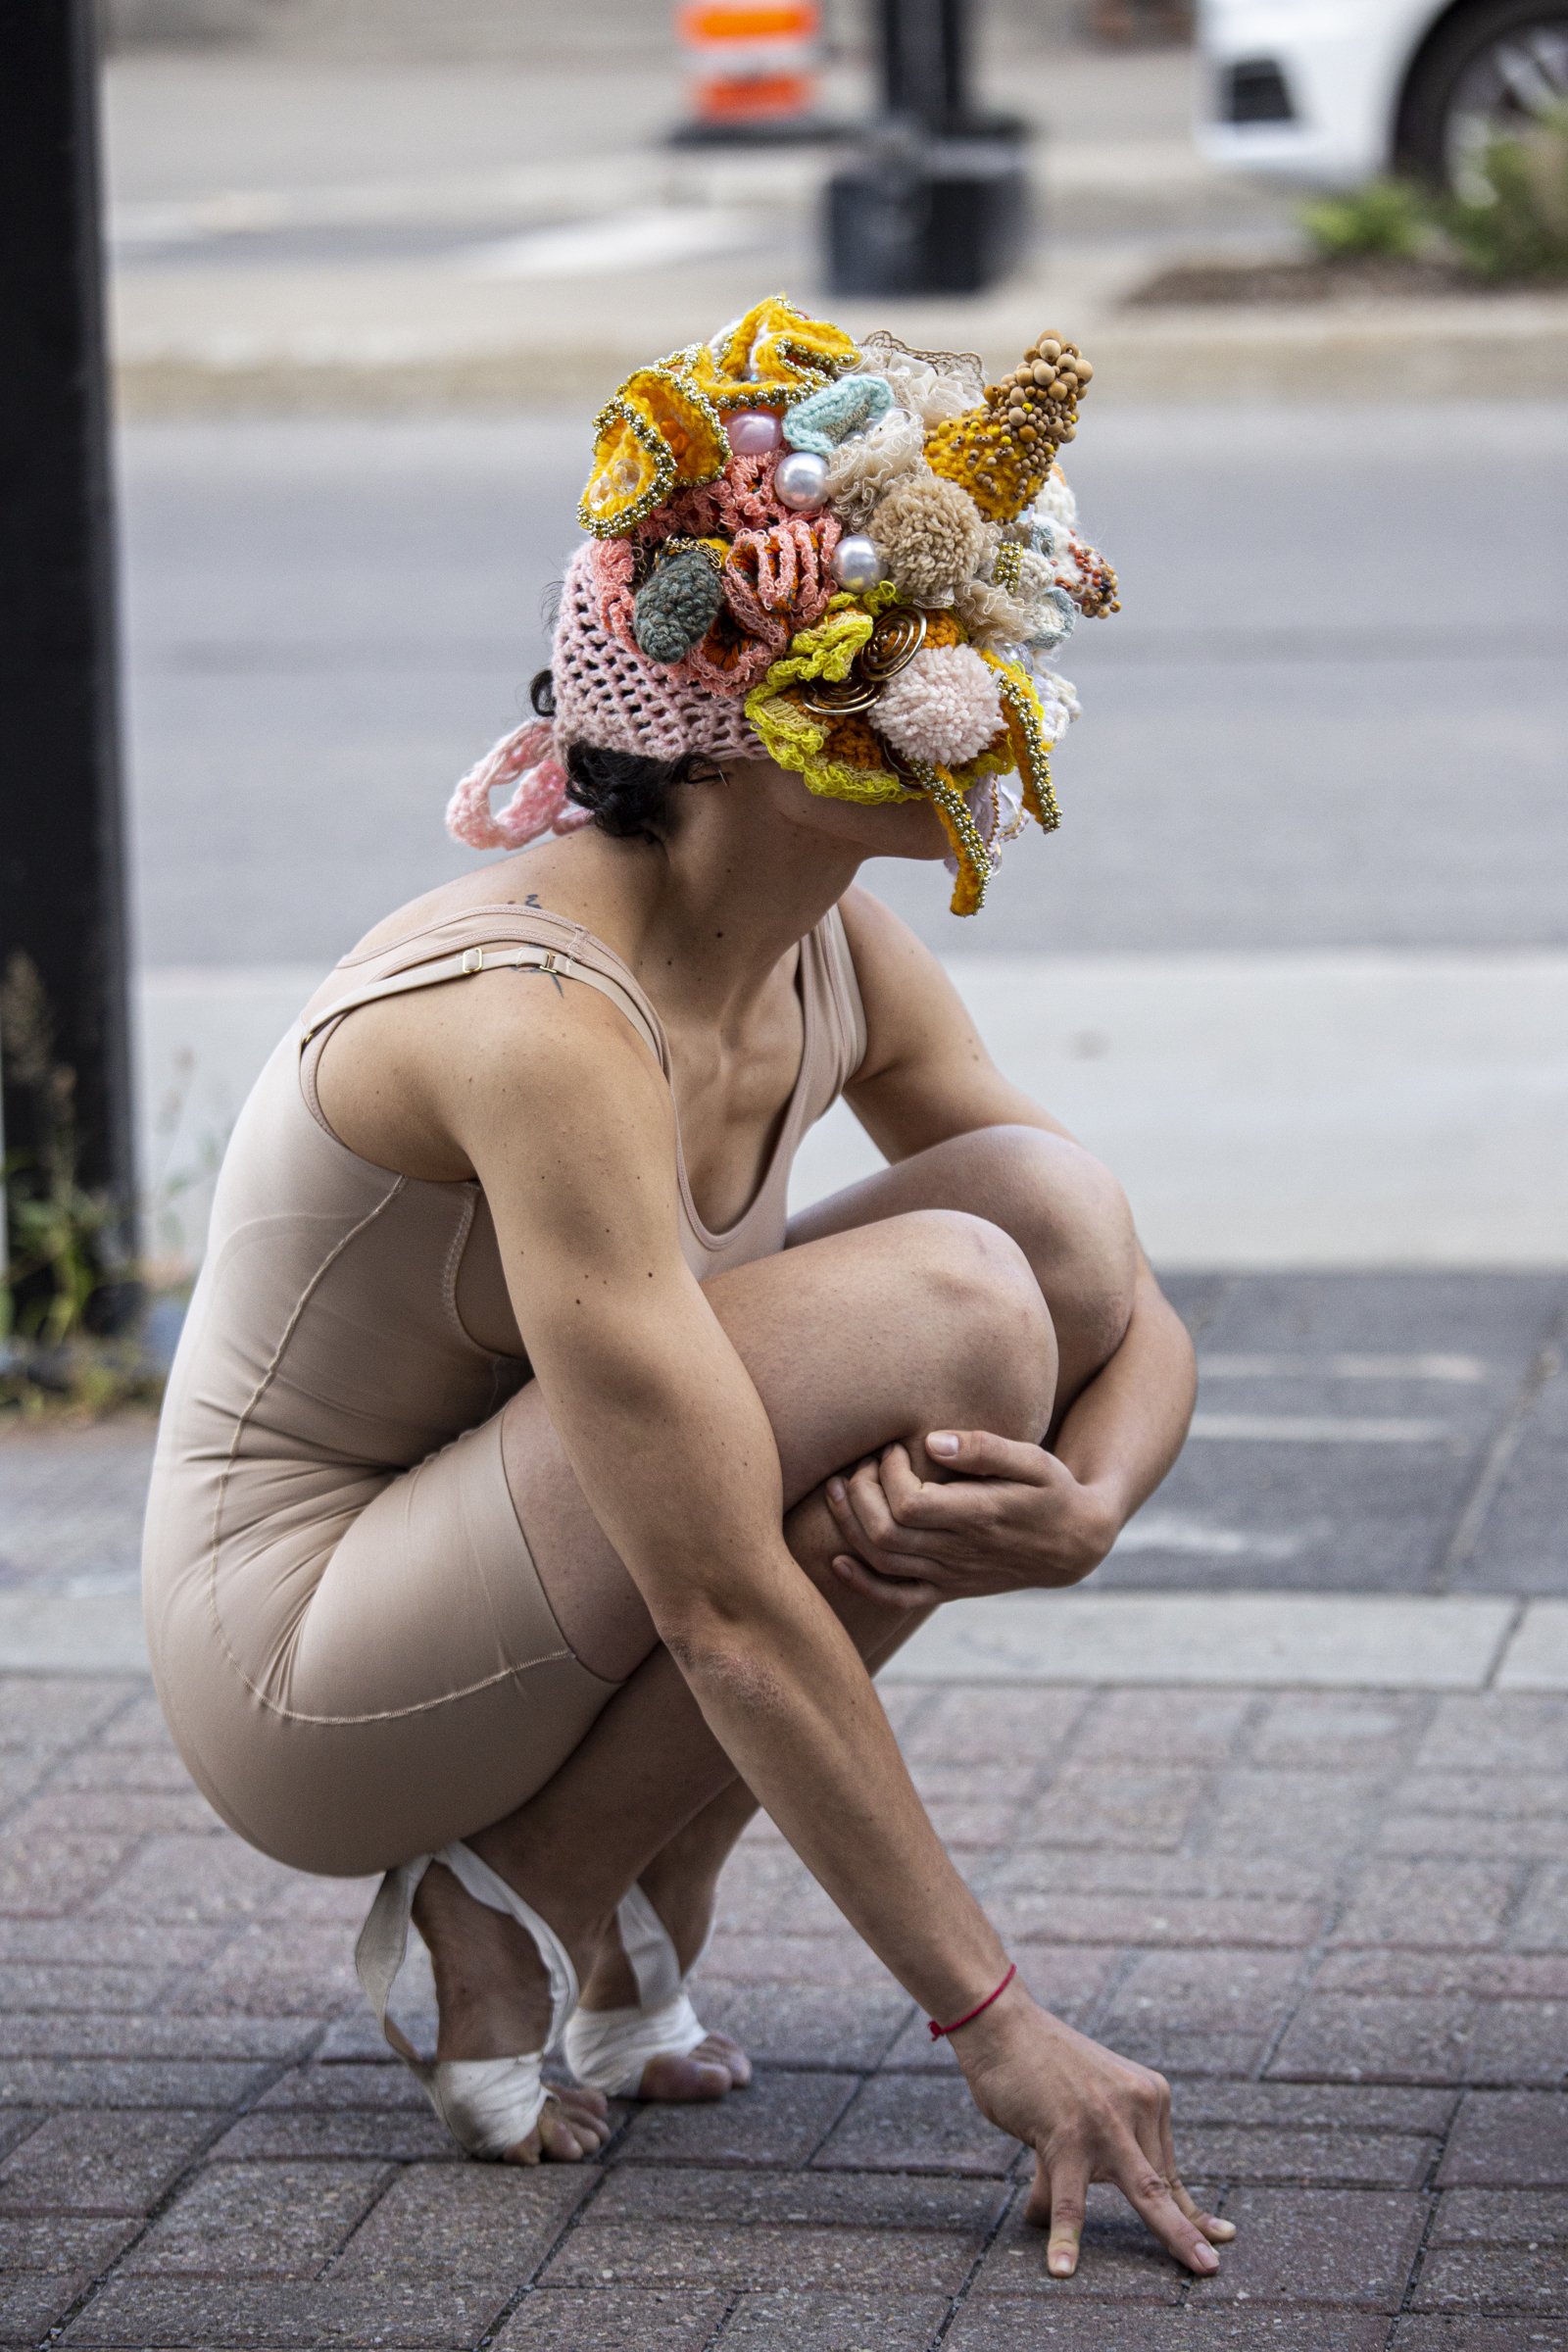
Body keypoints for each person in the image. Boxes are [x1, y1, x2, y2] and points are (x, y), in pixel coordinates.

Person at [141, 298, 1232, 2281]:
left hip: (520, 1543)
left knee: (1045, 1233)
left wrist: (1087, 1509)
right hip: (305, 1655)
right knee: (957, 1312)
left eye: (990, 640)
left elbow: (1125, 1292)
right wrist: (997, 2026)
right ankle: (526, 1903)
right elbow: (719, 1596)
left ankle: (570, 1887)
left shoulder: (834, 942)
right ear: (731, 717)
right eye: (917, 653)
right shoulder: (537, 1016)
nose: (990, 698)